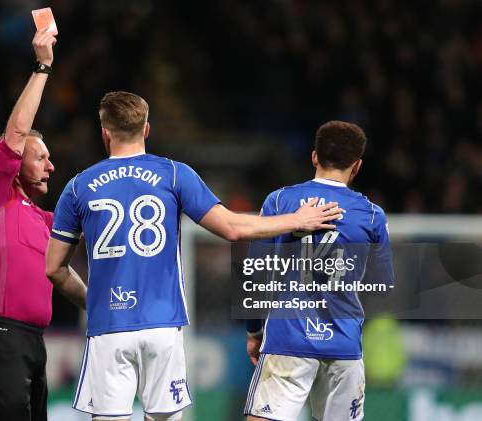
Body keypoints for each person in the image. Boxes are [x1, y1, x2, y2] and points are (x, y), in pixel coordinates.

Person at [45, 91, 343, 421]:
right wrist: (297, 219)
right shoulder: (174, 175)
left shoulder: (78, 187)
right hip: (162, 324)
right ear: (146, 129)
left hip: (108, 327)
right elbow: (232, 227)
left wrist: (93, 301)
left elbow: (55, 269)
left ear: (104, 132)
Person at [0, 30, 86, 421]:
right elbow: (16, 133)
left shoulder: (46, 220)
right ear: (15, 164)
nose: (51, 165)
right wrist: (43, 66)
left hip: (35, 346)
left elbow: (95, 231)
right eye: (41, 158)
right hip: (0, 341)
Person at [244, 121, 395, 421]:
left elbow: (256, 274)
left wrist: (254, 330)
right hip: (344, 343)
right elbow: (383, 282)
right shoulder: (372, 215)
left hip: (289, 338)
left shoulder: (279, 201)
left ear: (314, 157)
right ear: (357, 166)